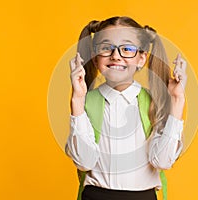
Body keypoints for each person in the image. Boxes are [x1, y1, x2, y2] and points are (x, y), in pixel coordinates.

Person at [65, 16, 187, 200]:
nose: (116, 56)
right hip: (96, 195)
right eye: (106, 48)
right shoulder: (86, 101)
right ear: (95, 56)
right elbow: (84, 162)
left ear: (141, 58)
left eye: (127, 49)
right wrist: (77, 100)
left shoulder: (155, 102)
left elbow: (162, 161)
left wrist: (177, 100)